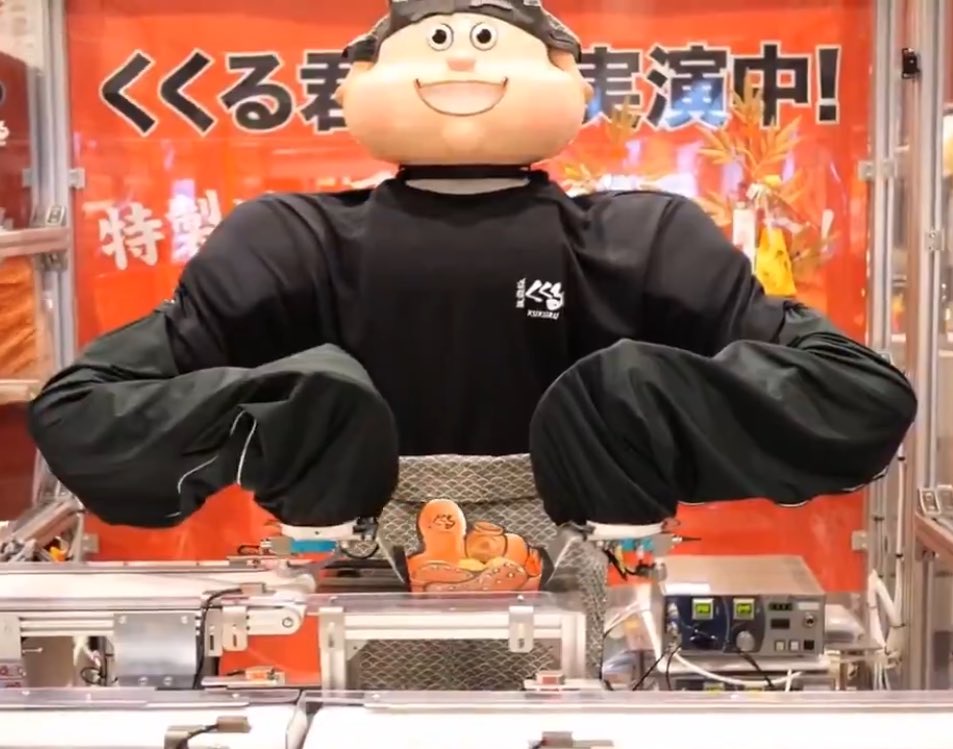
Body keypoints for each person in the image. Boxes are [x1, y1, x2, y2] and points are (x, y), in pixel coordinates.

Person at [29, 0, 916, 531]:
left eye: (488, 40)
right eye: (436, 39)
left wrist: (644, 406)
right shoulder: (287, 242)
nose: (459, 57)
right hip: (344, 604)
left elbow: (857, 397)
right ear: (358, 82)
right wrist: (282, 420)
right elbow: (82, 411)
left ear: (567, 78)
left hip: (591, 599)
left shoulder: (645, 240)